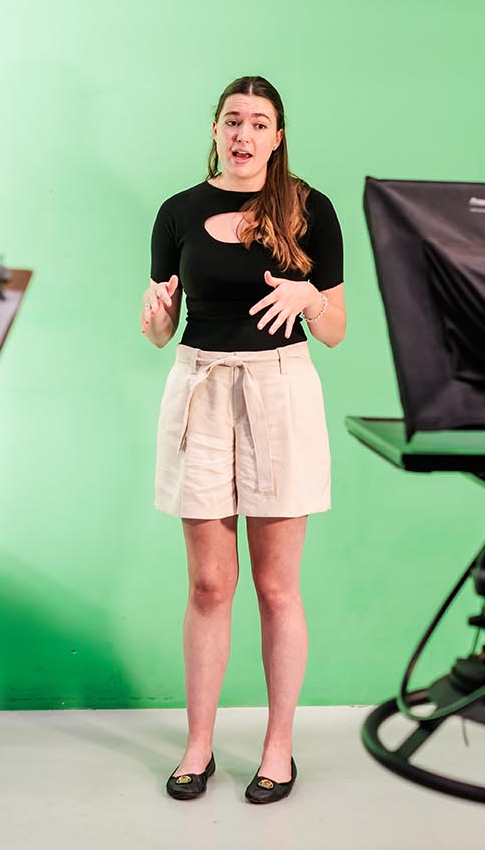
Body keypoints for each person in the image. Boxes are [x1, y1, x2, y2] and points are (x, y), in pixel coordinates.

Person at [142, 75, 346, 804]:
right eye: (234, 120)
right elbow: (165, 325)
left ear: (278, 136)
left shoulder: (310, 210)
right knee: (208, 583)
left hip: (281, 389)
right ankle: (198, 746)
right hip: (200, 385)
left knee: (275, 585)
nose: (245, 134)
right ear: (217, 129)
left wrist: (310, 296)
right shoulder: (177, 212)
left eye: (260, 123)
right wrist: (156, 315)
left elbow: (336, 331)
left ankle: (278, 748)